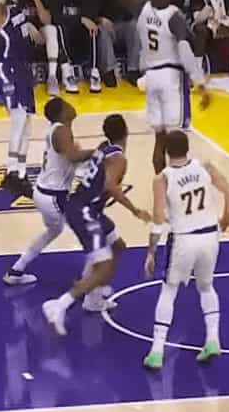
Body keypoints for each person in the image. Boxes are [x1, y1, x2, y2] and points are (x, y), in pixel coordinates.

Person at [66, 0, 208, 173]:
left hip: (150, 78)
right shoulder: (174, 16)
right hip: (170, 77)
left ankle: (159, 180)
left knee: (159, 139)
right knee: (175, 141)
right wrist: (200, 82)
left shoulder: (142, 6)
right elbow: (184, 49)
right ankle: (175, 186)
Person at [42, 114, 152, 334]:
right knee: (102, 266)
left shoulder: (103, 147)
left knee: (118, 245)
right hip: (85, 212)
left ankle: (93, 299)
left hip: (86, 208)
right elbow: (110, 185)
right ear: (126, 132)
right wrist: (134, 210)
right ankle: (59, 305)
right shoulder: (119, 159)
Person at [141, 130, 229, 369]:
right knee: (206, 287)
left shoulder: (162, 178)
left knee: (169, 290)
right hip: (209, 235)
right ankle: (213, 340)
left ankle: (156, 351)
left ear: (165, 151)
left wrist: (151, 251)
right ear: (187, 148)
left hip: (183, 239)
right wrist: (225, 219)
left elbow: (159, 219)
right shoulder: (204, 165)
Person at [3, 97, 92, 286]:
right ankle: (88, 283)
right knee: (90, 233)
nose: (72, 105)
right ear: (61, 113)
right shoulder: (60, 129)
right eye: (67, 104)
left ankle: (16, 271)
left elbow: (70, 159)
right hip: (53, 196)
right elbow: (73, 156)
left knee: (53, 230)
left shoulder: (60, 130)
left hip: (46, 193)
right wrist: (99, 152)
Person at [0, 0, 51, 198]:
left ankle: (20, 173)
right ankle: (12, 171)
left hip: (22, 68)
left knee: (26, 122)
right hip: (6, 68)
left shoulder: (18, 11)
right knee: (17, 119)